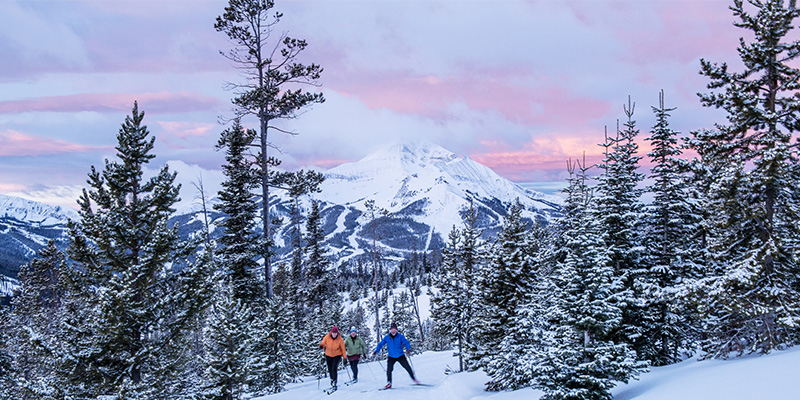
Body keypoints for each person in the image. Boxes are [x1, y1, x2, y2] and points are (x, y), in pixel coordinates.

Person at [373, 322, 419, 389]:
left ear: (396, 330)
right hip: (391, 356)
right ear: (390, 330)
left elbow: (406, 343)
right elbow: (381, 344)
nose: (393, 330)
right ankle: (389, 383)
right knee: (389, 370)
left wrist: (408, 349)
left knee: (407, 367)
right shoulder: (387, 337)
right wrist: (376, 351)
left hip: (400, 355)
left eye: (394, 329)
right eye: (392, 329)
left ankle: (414, 379)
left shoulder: (400, 336)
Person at [319, 325, 347, 390]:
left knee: (334, 368)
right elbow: (323, 343)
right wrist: (321, 346)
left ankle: (335, 381)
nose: (334, 334)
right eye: (333, 333)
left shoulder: (340, 339)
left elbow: (343, 349)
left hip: (337, 355)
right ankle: (332, 379)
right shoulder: (327, 337)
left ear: (337, 333)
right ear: (331, 332)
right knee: (330, 369)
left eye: (335, 333)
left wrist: (345, 358)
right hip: (328, 355)